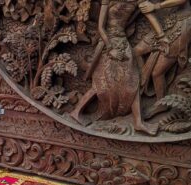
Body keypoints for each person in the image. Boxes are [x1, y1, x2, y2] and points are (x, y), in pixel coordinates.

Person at [70, 0, 165, 135]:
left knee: (132, 79)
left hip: (123, 43)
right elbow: (101, 28)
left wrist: (161, 36)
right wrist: (111, 49)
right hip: (108, 43)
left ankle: (138, 122)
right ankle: (76, 111)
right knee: (101, 81)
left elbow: (149, 14)